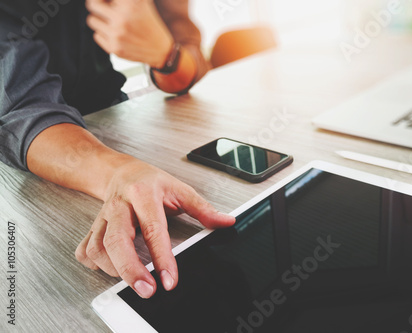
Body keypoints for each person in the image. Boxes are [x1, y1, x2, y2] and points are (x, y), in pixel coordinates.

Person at [0, 0, 235, 299]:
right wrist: (121, 173)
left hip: (117, 119)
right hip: (42, 166)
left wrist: (167, 54)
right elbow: (21, 110)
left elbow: (189, 65)